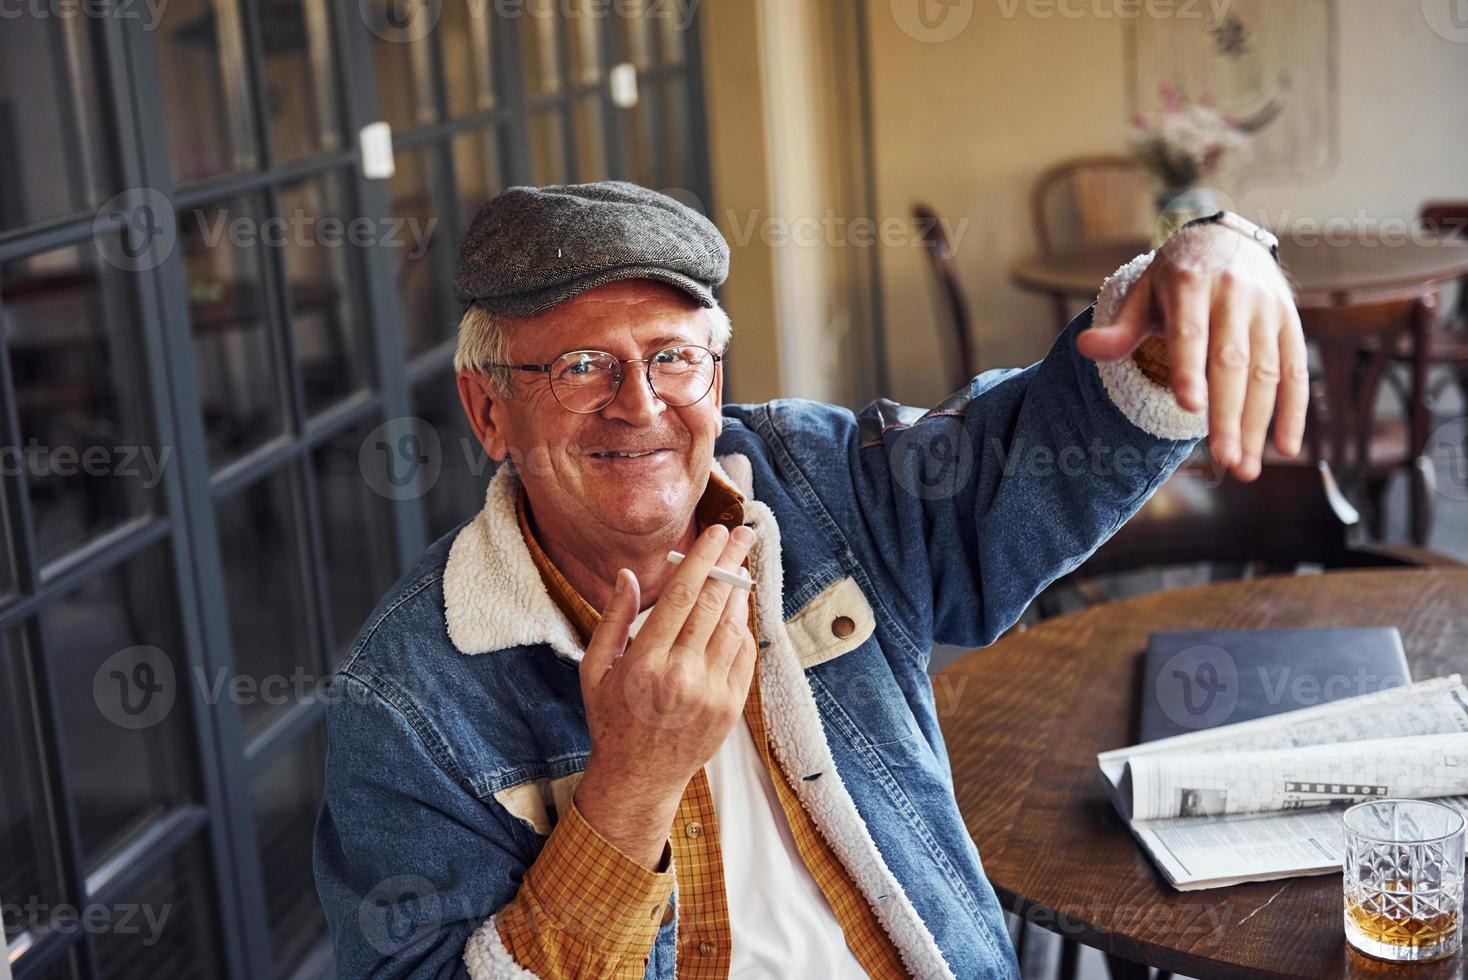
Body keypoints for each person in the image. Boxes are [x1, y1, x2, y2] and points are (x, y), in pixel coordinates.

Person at [314, 182, 1304, 979]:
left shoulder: (819, 483)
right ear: (486, 411)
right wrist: (630, 785)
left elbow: (1050, 443)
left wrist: (1209, 257)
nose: (640, 405)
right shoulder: (406, 692)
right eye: (579, 367)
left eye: (674, 357)